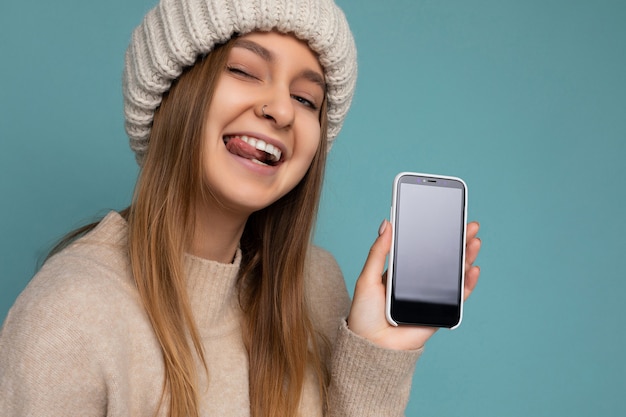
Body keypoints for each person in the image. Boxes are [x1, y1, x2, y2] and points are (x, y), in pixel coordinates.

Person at [0, 0, 482, 416]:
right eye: (244, 71)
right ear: (171, 92)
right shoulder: (67, 317)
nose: (282, 110)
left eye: (306, 98)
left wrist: (377, 356)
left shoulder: (314, 287)